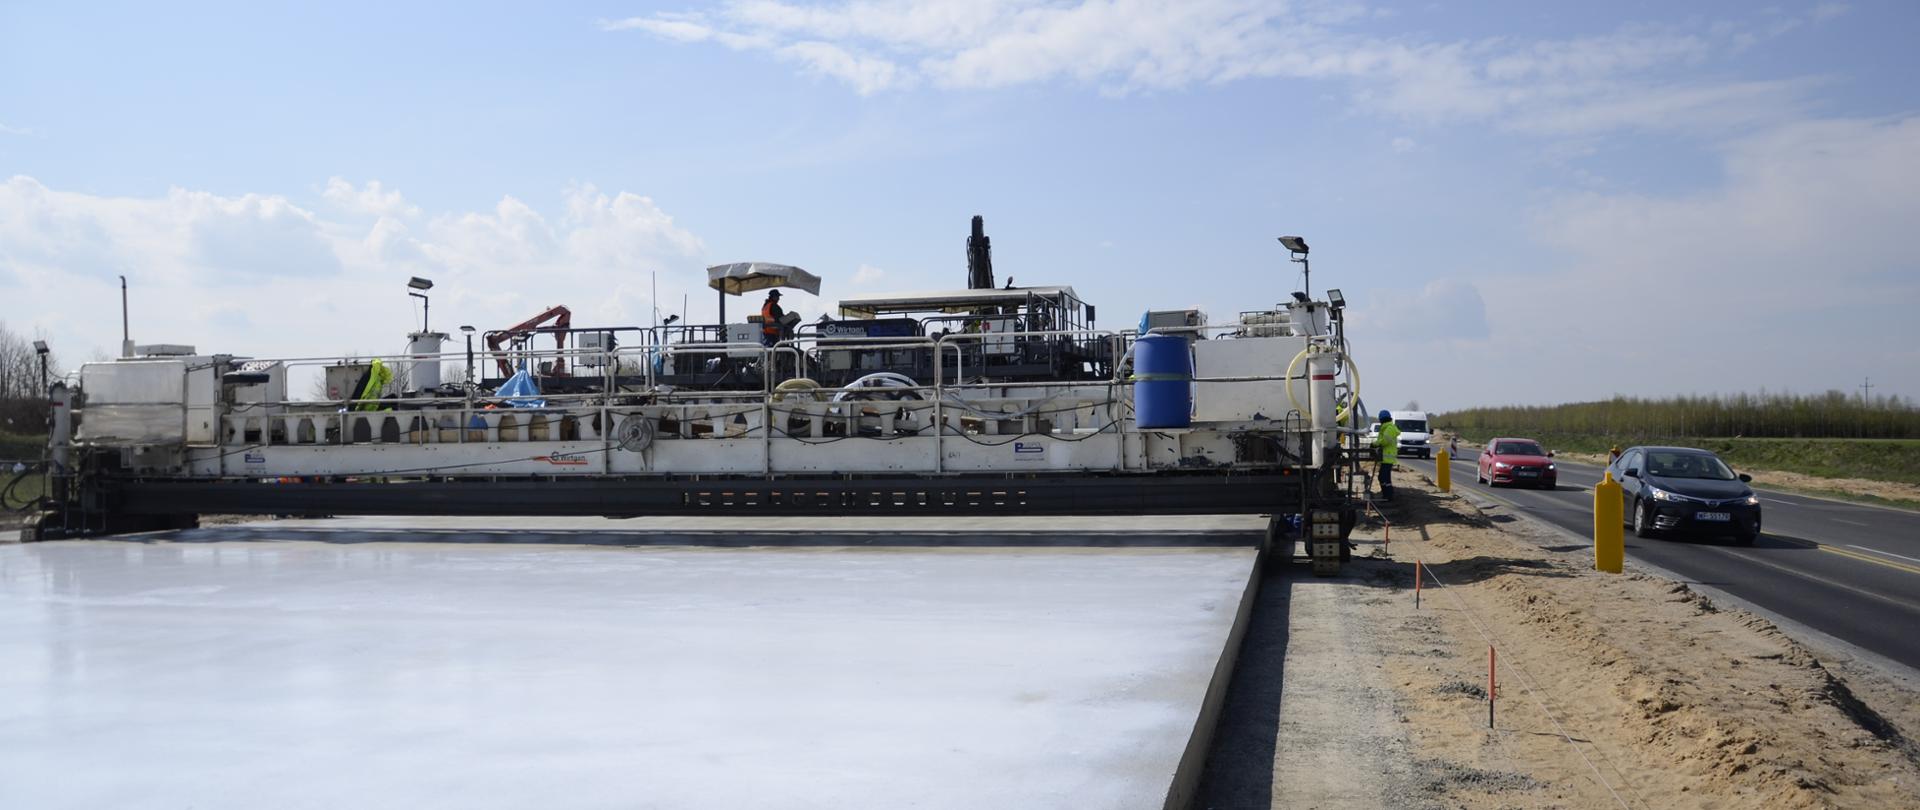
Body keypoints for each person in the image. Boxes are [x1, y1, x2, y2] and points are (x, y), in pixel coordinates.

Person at [1375, 409, 1401, 500]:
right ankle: (1387, 495)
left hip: (1387, 458)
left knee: (1383, 477)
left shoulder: (1389, 428)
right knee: (1384, 477)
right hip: (1386, 458)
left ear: (1381, 419)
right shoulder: (1387, 427)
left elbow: (1385, 441)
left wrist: (1375, 444)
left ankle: (1388, 495)